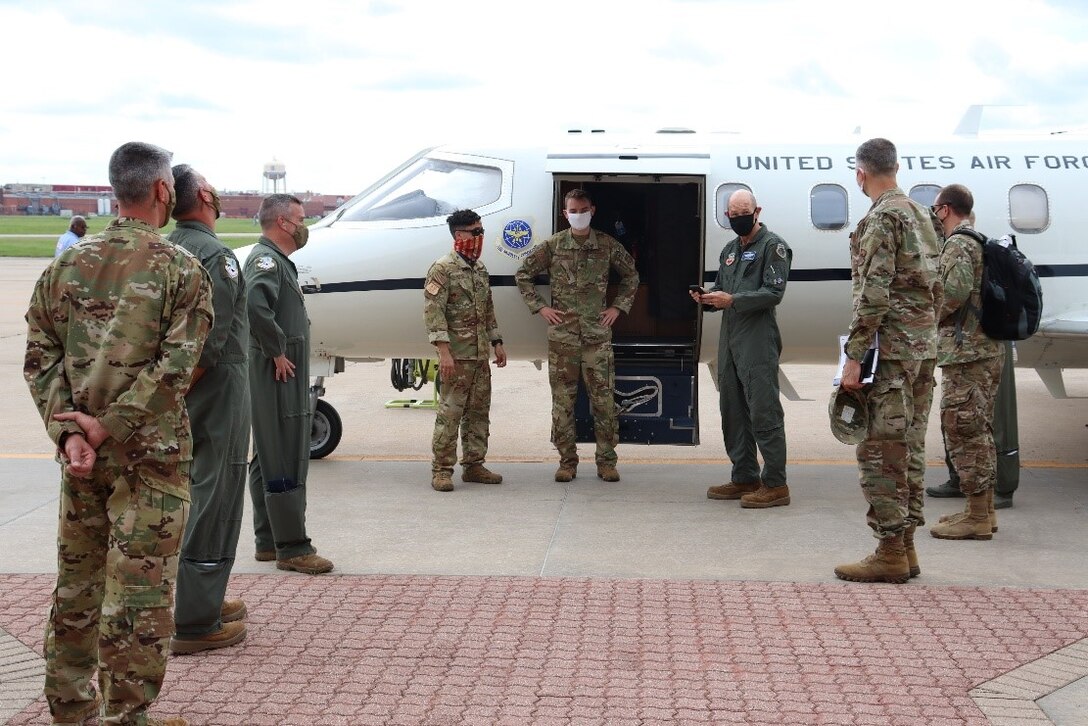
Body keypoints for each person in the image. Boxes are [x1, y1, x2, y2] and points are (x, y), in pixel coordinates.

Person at [24, 141, 212, 726]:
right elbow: (176, 368)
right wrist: (109, 427)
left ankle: (71, 709)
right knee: (139, 591)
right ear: (163, 191)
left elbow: (40, 355)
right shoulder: (181, 268)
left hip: (81, 455)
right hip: (149, 458)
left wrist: (71, 435)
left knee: (77, 584)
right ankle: (126, 716)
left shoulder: (64, 266)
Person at [833, 138, 941, 584]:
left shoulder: (881, 219)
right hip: (921, 350)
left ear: (861, 174)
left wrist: (855, 358)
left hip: (891, 354)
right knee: (909, 447)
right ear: (896, 167)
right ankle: (908, 546)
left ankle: (890, 550)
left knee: (880, 448)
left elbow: (872, 295)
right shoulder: (921, 214)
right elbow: (937, 289)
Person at [166, 165, 250, 654]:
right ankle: (197, 619)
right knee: (215, 494)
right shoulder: (216, 255)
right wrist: (180, 387)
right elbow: (212, 342)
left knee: (188, 490)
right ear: (203, 194)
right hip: (215, 389)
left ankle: (201, 597)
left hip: (182, 390)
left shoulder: (170, 248)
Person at [515, 189, 639, 482]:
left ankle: (607, 462)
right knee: (562, 405)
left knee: (604, 403)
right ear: (565, 213)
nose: (579, 214)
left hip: (597, 338)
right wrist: (541, 308)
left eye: (583, 209)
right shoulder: (554, 245)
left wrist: (617, 308)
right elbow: (523, 275)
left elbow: (631, 275)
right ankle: (566, 462)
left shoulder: (607, 245)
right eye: (573, 210)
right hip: (563, 339)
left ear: (592, 210)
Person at [245, 194, 333, 575]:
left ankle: (268, 540)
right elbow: (254, 303)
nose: (304, 224)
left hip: (278, 370)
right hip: (279, 372)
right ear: (283, 223)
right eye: (300, 218)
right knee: (285, 453)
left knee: (267, 455)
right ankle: (293, 547)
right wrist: (277, 349)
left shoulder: (278, 262)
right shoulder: (266, 261)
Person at [693, 189, 792, 508]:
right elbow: (723, 289)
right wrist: (707, 300)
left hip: (757, 339)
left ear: (757, 211)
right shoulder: (730, 250)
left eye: (742, 213)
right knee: (732, 410)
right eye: (732, 215)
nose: (737, 219)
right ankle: (745, 476)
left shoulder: (773, 246)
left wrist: (732, 300)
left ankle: (776, 484)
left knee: (763, 410)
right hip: (731, 338)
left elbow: (773, 293)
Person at [925, 184, 1004, 540]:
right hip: (983, 350)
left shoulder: (957, 243)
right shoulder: (978, 240)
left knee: (964, 429)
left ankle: (976, 516)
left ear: (945, 209)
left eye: (935, 208)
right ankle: (983, 510)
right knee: (980, 430)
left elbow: (953, 294)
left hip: (967, 354)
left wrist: (924, 318)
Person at [423, 209, 507, 492]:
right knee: (450, 413)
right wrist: (444, 353)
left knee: (478, 413)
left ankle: (474, 465)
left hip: (480, 355)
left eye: (481, 231)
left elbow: (488, 311)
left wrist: (497, 342)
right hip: (456, 357)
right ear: (459, 235)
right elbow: (434, 314)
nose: (480, 237)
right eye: (476, 232)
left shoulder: (479, 269)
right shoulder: (442, 269)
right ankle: (442, 470)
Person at [927, 339, 1019, 509]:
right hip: (961, 349)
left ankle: (999, 489)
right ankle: (961, 479)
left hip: (979, 349)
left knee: (984, 419)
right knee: (956, 418)